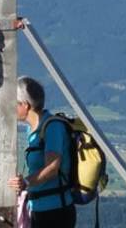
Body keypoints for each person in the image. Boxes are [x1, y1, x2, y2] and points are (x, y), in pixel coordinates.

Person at [7, 77, 76, 227]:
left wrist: (26, 182)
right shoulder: (32, 128)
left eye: (14, 103)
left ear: (25, 105)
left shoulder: (52, 127)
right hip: (39, 208)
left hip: (56, 211)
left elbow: (52, 168)